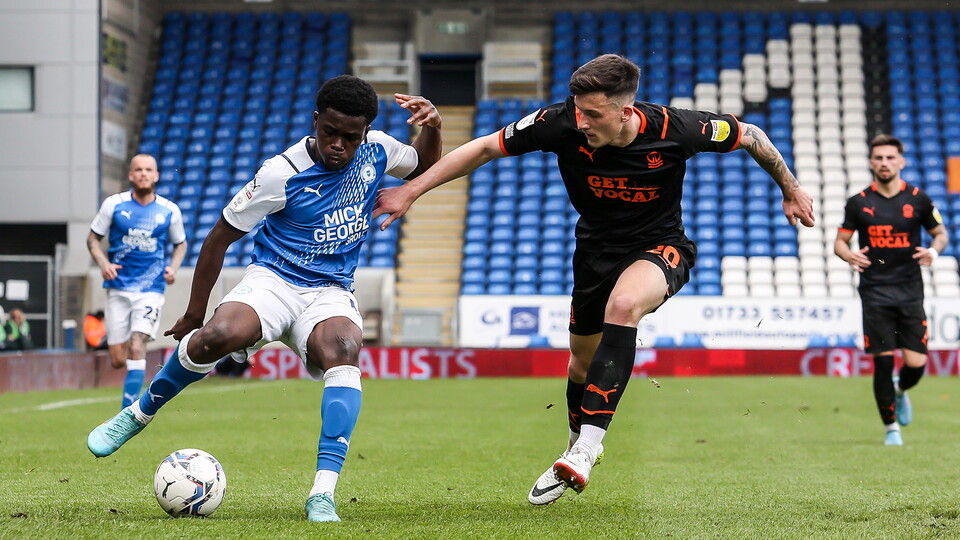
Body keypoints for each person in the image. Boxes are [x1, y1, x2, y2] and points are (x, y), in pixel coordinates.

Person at [374, 54, 815, 504]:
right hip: (594, 252)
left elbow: (752, 136)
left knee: (623, 307)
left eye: (594, 114)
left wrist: (791, 187)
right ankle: (573, 446)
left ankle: (588, 447)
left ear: (626, 112)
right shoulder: (559, 122)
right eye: (579, 110)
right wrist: (411, 190)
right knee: (580, 364)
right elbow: (485, 147)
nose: (582, 122)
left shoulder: (678, 127)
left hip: (661, 247)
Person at [86, 75, 443, 523]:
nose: (337, 145)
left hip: (330, 290)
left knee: (346, 350)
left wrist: (432, 126)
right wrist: (196, 312)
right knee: (217, 335)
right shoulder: (282, 172)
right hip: (274, 278)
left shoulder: (380, 150)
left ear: (366, 133)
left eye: (350, 138)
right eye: (329, 132)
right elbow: (218, 238)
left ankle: (322, 494)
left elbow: (428, 166)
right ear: (315, 121)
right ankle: (138, 414)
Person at [834, 134, 948, 447]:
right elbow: (840, 242)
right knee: (883, 362)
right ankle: (891, 429)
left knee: (916, 365)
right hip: (875, 293)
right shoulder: (858, 202)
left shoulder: (918, 199)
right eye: (878, 158)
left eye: (889, 158)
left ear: (901, 162)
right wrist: (849, 255)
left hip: (910, 291)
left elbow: (940, 233)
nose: (884, 163)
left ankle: (900, 391)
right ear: (871, 163)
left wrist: (933, 252)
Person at [87, 154, 187, 410]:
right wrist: (104, 264)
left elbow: (180, 244)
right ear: (131, 175)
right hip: (118, 288)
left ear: (156, 176)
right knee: (118, 359)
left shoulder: (169, 210)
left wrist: (173, 269)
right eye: (138, 170)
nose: (143, 173)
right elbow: (92, 239)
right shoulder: (114, 205)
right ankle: (129, 391)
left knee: (137, 343)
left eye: (148, 170)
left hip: (150, 289)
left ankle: (127, 413)